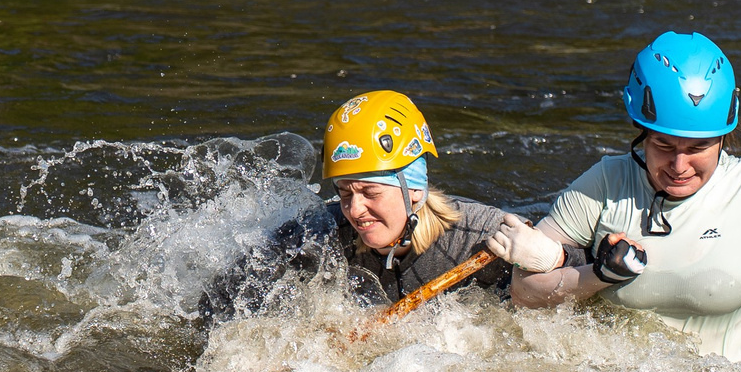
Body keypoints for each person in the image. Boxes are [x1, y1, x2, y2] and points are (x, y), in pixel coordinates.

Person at [487, 33, 741, 372]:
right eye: (663, 145)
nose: (680, 167)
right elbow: (524, 293)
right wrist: (598, 275)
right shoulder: (603, 184)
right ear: (641, 132)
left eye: (698, 148)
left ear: (723, 137)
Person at [200, 90, 512, 318]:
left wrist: (548, 260)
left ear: (414, 190)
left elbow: (558, 282)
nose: (355, 210)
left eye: (370, 192)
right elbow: (217, 299)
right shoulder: (320, 233)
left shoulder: (481, 236)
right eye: (345, 193)